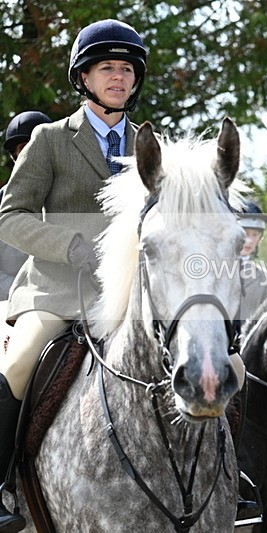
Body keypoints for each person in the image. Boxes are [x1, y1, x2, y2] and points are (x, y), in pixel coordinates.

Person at [0, 19, 151, 531]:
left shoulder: (149, 143)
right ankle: (0, 484)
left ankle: (228, 479)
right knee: (18, 364)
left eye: (126, 68)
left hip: (130, 296)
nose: (118, 77)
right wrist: (69, 245)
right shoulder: (49, 140)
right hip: (58, 292)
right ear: (84, 77)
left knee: (221, 360)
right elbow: (10, 216)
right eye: (107, 67)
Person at [0, 111, 52, 301]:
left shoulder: (72, 193)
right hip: (12, 304)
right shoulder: (1, 200)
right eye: (24, 148)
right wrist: (24, 293)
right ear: (15, 157)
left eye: (36, 146)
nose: (31, 153)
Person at [236, 199, 267, 322]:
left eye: (255, 234)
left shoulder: (264, 277)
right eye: (246, 233)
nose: (250, 241)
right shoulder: (214, 270)